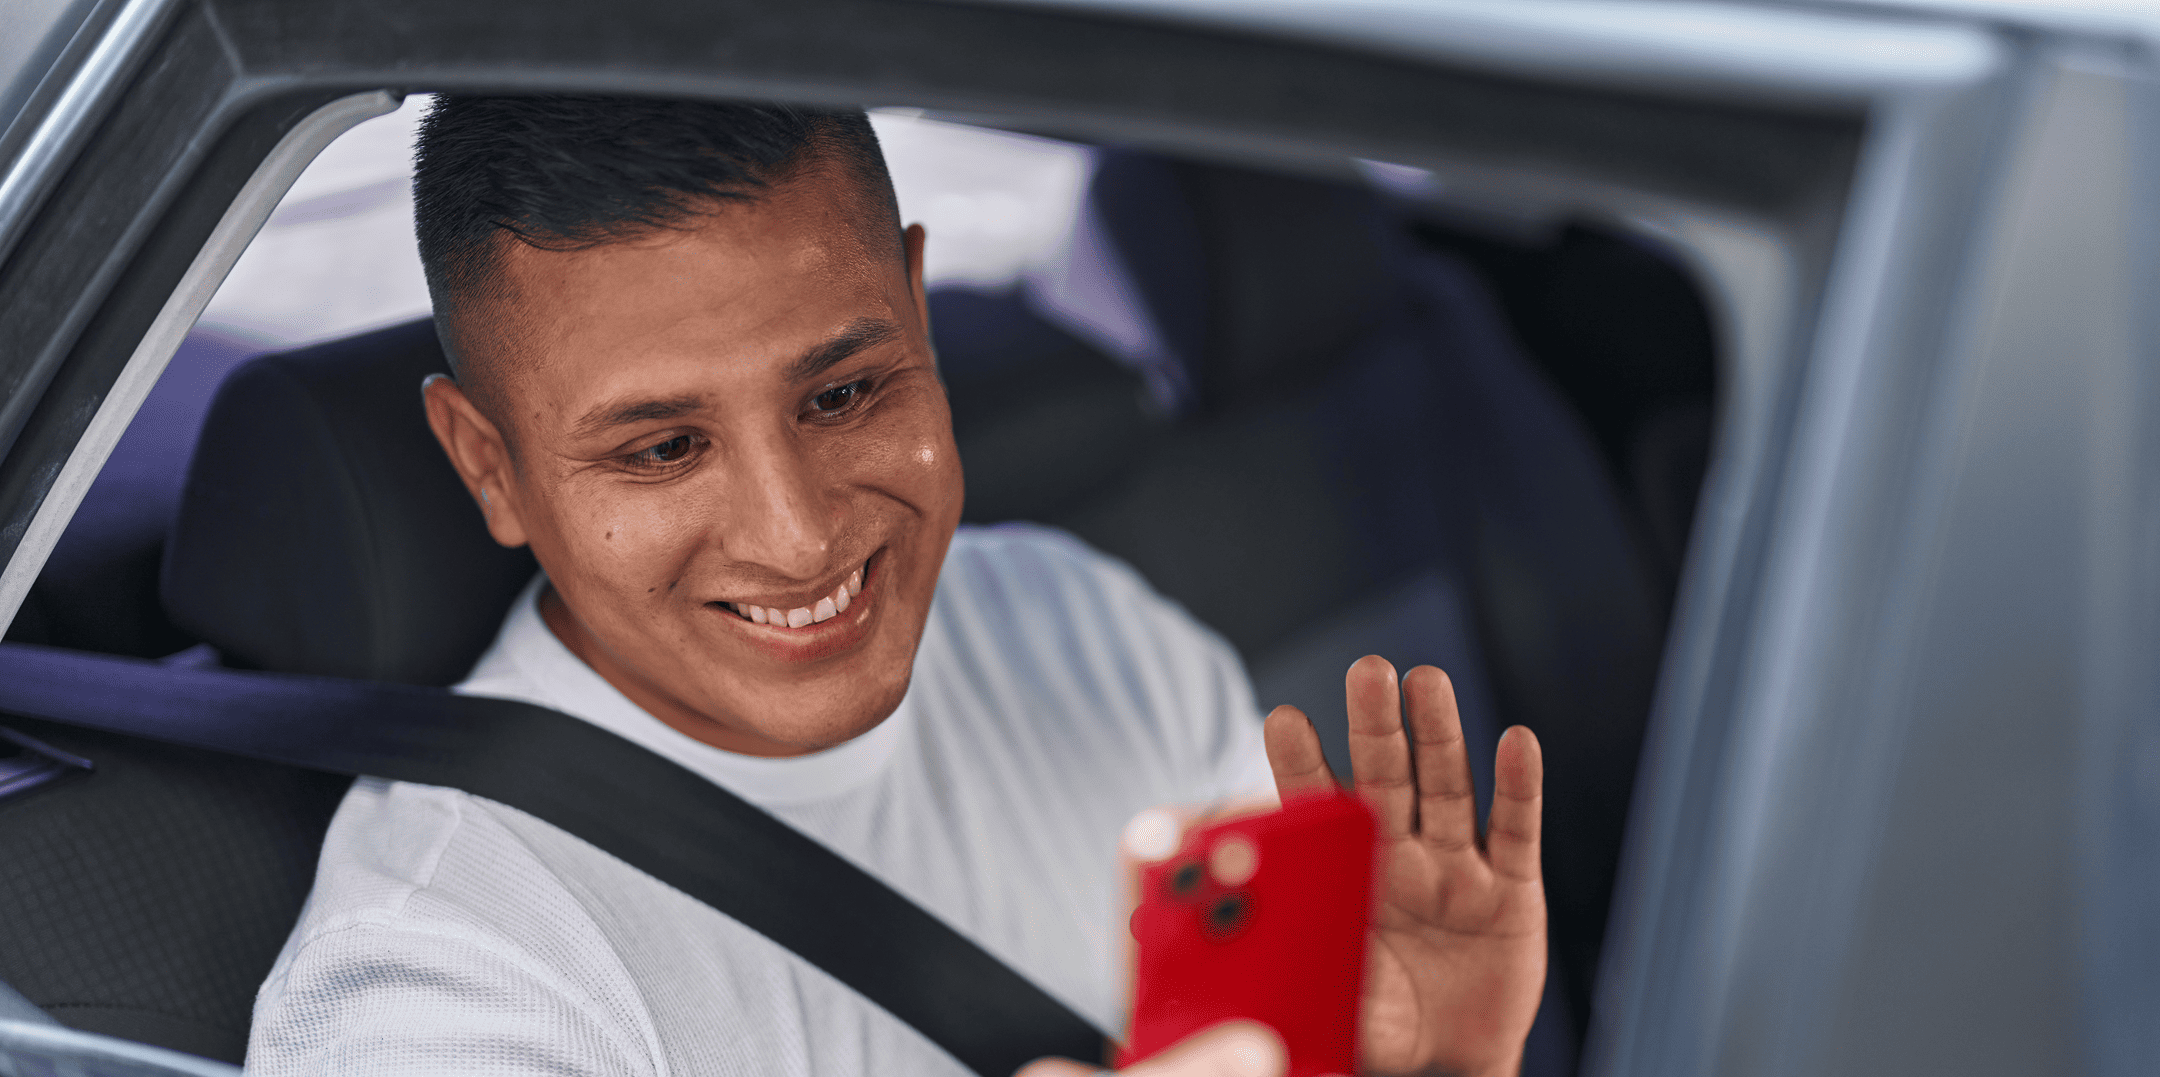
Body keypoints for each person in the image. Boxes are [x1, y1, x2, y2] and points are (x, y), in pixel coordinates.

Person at [244, 96, 1547, 1077]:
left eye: (846, 393)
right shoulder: (452, 979)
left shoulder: (1082, 627)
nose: (798, 534)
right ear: (491, 468)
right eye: (661, 449)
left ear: (919, 317)